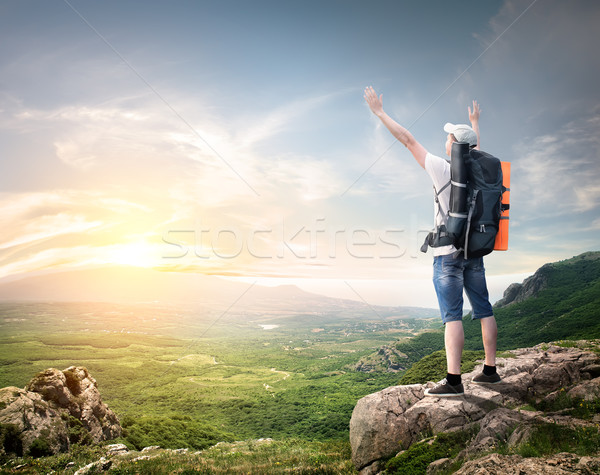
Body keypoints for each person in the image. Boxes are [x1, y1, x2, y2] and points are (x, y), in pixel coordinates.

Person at [363, 86, 501, 397]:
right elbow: (476, 147)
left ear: (454, 144)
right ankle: (490, 371)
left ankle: (454, 382)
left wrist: (380, 113)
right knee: (484, 308)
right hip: (474, 248)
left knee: (452, 315)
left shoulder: (441, 167)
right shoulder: (481, 170)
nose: (446, 138)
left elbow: (408, 140)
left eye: (450, 136)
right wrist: (474, 123)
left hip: (447, 253)